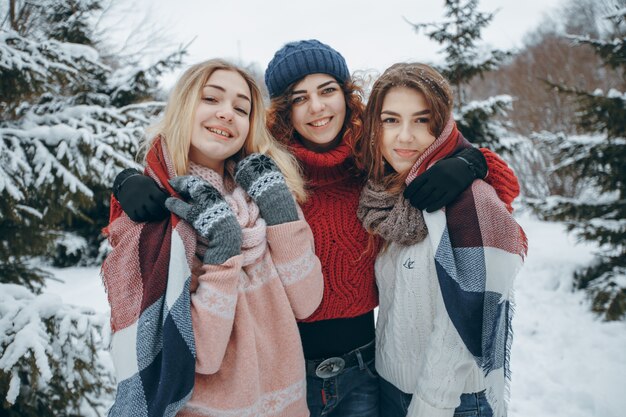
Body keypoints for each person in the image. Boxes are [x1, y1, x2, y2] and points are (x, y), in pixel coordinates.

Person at [112, 40, 520, 417]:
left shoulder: (372, 163)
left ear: (346, 94)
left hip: (364, 366)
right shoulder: (265, 166)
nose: (317, 108)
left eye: (327, 90)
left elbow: (462, 169)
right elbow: (186, 166)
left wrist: (472, 163)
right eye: (299, 98)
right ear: (283, 111)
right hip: (287, 369)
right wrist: (128, 182)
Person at [101, 59, 324, 417]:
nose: (226, 114)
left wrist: (280, 208)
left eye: (240, 108)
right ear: (185, 107)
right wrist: (223, 251)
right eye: (211, 99)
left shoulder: (262, 193)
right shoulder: (160, 214)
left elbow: (307, 300)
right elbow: (200, 354)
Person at [357, 62, 528, 417]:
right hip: (387, 389)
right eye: (390, 120)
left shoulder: (472, 202)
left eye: (421, 120)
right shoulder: (382, 198)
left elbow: (467, 320)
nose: (404, 136)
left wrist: (431, 405)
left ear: (443, 125)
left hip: (451, 402)